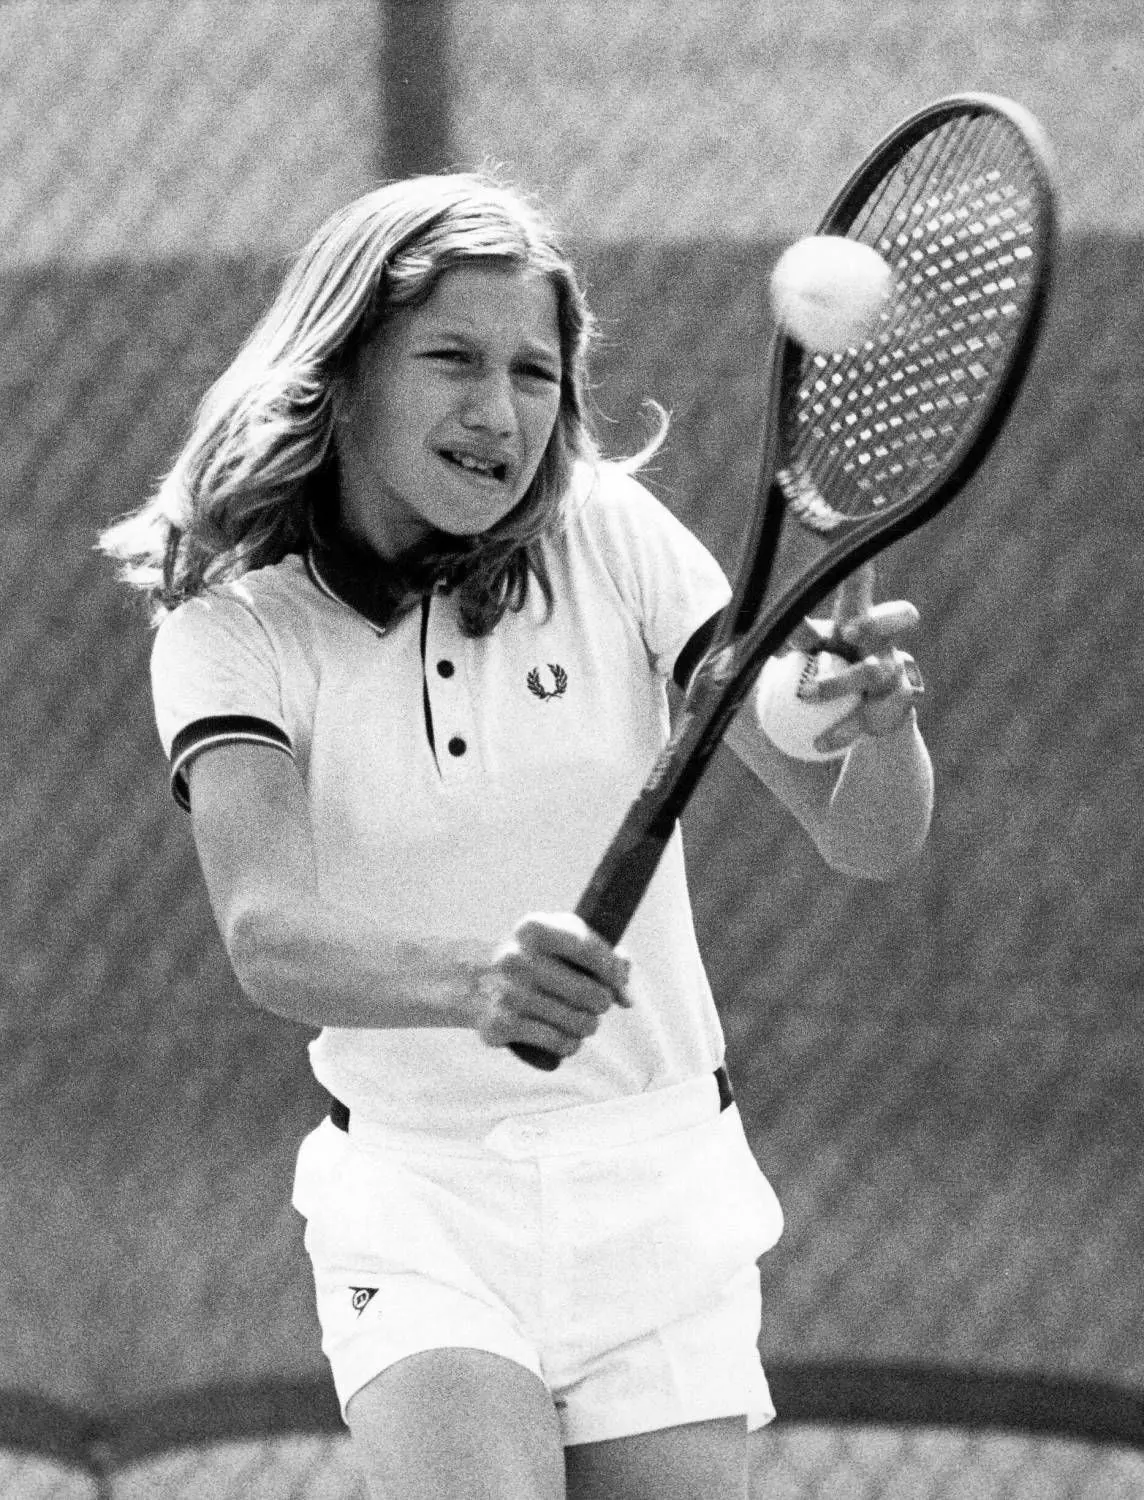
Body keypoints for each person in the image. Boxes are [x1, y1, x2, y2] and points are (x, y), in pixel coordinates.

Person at [99, 171, 933, 1500]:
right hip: (425, 1207)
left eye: (534, 372)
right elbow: (268, 935)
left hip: (661, 1195)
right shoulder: (232, 630)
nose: (500, 411)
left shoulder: (613, 540)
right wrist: (476, 982)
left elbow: (866, 837)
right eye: (453, 360)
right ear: (349, 370)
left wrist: (878, 727)